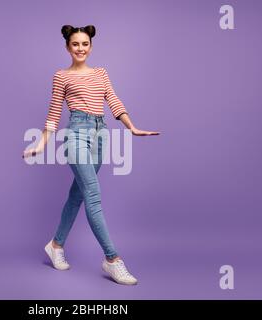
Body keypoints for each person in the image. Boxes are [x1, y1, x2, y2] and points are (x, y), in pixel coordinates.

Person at [23, 25, 160, 285]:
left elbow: (113, 100)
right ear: (67, 47)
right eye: (75, 44)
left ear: (91, 46)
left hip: (100, 134)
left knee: (77, 195)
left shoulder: (101, 73)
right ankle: (113, 260)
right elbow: (53, 113)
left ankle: (55, 245)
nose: (80, 48)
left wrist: (131, 127)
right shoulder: (61, 76)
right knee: (94, 197)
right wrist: (40, 145)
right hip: (76, 133)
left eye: (85, 44)